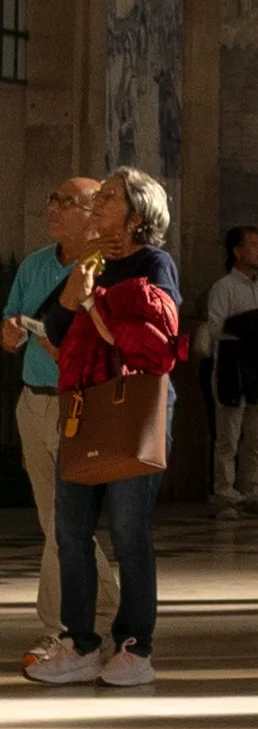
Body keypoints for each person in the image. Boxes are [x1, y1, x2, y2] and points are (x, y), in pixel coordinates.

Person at [26, 169, 181, 690]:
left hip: (132, 407)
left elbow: (151, 342)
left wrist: (93, 303)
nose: (97, 205)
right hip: (83, 407)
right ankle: (81, 643)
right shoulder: (90, 264)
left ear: (135, 217)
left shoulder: (155, 263)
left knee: (130, 533)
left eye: (109, 198)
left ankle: (136, 646)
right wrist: (75, 294)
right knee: (70, 529)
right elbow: (51, 326)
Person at [4, 178, 120, 665]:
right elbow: (9, 334)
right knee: (58, 522)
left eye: (67, 203)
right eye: (52, 198)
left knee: (63, 524)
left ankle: (59, 628)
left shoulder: (105, 269)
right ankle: (110, 607)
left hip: (79, 406)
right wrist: (12, 331)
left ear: (93, 213)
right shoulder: (33, 265)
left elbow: (112, 339)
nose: (54, 208)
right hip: (33, 402)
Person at [204, 226, 258, 511]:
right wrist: (250, 325)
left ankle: (253, 491)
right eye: (253, 245)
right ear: (237, 251)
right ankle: (225, 491)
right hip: (231, 369)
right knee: (229, 436)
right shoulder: (224, 288)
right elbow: (216, 327)